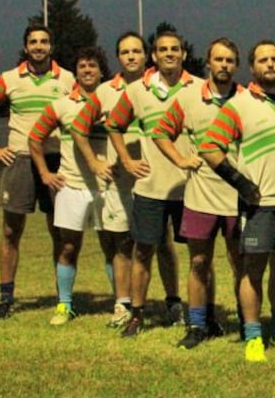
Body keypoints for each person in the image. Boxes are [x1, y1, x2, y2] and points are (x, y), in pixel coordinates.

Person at [199, 40, 275, 363]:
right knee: (252, 270)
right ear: (252, 67)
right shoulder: (239, 104)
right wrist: (242, 184)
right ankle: (253, 335)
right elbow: (209, 147)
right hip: (259, 205)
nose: (270, 64)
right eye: (263, 60)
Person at [0, 23, 74, 321]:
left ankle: (63, 298)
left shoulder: (67, 79)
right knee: (10, 230)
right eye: (33, 42)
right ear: (26, 47)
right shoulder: (9, 79)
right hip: (20, 160)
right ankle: (6, 298)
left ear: (51, 47)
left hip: (55, 161)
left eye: (44, 42)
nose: (39, 46)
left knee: (60, 231)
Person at [99, 30, 197, 337]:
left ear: (183, 54)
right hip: (150, 187)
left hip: (190, 187)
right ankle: (137, 314)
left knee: (196, 254)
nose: (169, 53)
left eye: (175, 49)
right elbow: (114, 124)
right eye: (163, 49)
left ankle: (183, 308)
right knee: (144, 250)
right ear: (153, 56)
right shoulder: (139, 90)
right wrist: (127, 161)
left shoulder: (198, 88)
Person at [153, 38, 244, 348]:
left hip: (236, 199)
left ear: (236, 65)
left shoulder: (245, 99)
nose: (224, 65)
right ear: (208, 63)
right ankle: (197, 326)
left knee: (240, 263)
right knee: (199, 263)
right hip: (200, 197)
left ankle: (247, 323)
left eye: (230, 60)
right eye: (218, 59)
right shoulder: (190, 98)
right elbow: (161, 132)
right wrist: (180, 160)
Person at [28, 46, 109, 325]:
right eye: (83, 66)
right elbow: (35, 138)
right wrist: (44, 174)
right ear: (76, 72)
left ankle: (120, 305)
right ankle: (65, 305)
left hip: (105, 187)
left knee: (113, 247)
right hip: (71, 186)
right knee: (68, 247)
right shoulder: (62, 105)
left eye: (93, 66)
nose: (87, 71)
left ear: (101, 71)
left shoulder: (113, 102)